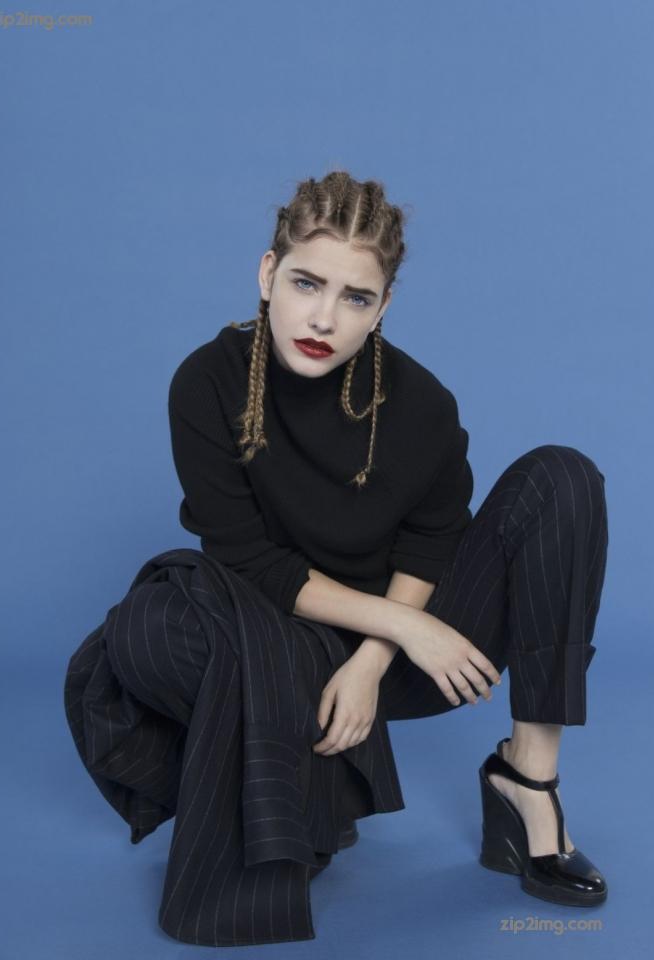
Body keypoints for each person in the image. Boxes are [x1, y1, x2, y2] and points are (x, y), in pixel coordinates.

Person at [63, 170, 609, 948]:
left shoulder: (421, 403)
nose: (324, 317)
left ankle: (528, 782)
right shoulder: (208, 382)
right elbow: (247, 558)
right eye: (306, 283)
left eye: (356, 297)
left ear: (382, 307)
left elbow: (431, 543)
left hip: (415, 653)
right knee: (146, 629)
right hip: (279, 645)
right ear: (267, 273)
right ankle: (310, 780)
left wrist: (377, 657)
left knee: (564, 477)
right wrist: (399, 628)